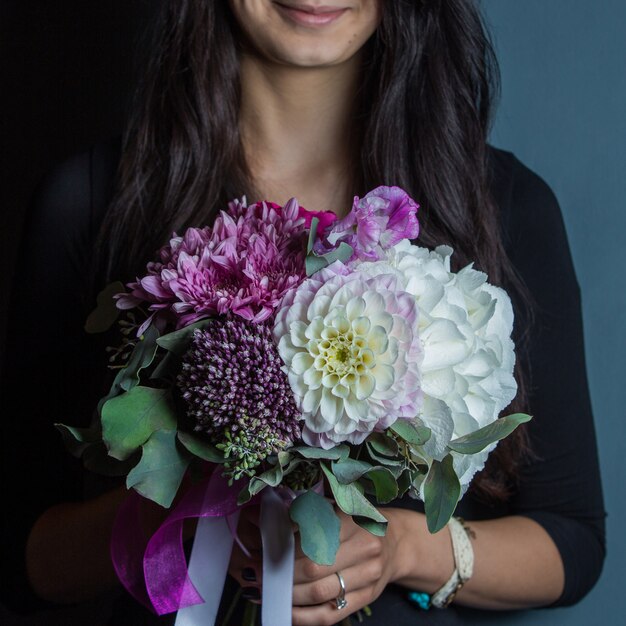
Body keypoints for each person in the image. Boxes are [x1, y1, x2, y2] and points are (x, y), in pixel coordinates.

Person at [0, 1, 605, 625]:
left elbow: (572, 540)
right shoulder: (91, 204)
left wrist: (400, 550)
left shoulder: (504, 209)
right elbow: (26, 558)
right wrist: (181, 509)